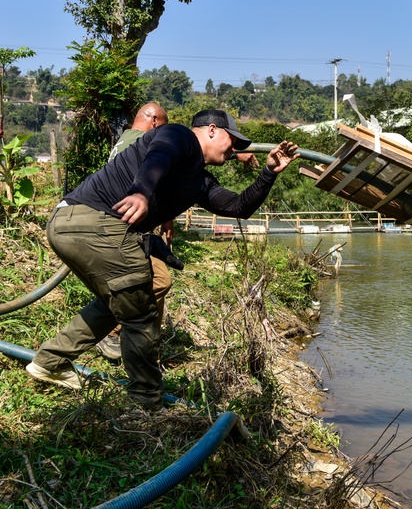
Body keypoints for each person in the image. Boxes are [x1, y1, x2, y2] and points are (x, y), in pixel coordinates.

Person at [26, 109, 300, 409]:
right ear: (211, 129)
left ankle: (50, 362)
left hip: (68, 224)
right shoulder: (179, 136)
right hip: (92, 221)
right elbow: (160, 155)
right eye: (231, 139)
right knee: (141, 313)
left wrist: (269, 172)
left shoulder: (199, 181)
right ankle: (146, 400)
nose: (234, 148)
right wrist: (141, 192)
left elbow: (238, 206)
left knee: (123, 300)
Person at [97, 103, 172, 362]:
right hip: (124, 228)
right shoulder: (143, 140)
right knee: (159, 281)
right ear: (153, 123)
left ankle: (149, 344)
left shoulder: (125, 140)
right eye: (163, 128)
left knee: (153, 279)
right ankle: (114, 332)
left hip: (123, 226)